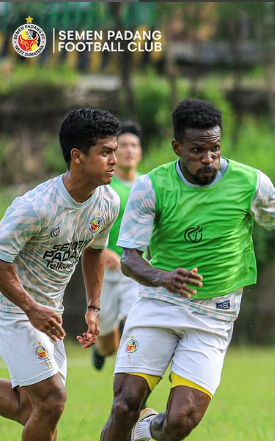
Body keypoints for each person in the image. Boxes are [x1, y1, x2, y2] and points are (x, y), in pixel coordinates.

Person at [100, 98, 275, 441]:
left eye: (215, 148)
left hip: (213, 315)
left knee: (180, 422)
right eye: (197, 150)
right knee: (124, 405)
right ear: (177, 147)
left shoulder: (248, 182)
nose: (208, 159)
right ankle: (136, 420)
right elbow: (129, 258)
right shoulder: (153, 186)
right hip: (158, 304)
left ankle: (146, 429)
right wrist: (164, 278)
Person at [0, 108, 121, 441]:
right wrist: (30, 308)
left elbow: (94, 251)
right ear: (77, 156)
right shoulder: (35, 207)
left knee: (34, 410)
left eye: (115, 151)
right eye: (106, 152)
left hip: (47, 313)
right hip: (12, 308)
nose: (115, 159)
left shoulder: (108, 203)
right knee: (53, 401)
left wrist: (94, 307)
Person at [93, 121, 144, 371]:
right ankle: (100, 348)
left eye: (134, 145)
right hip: (105, 271)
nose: (128, 150)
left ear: (140, 152)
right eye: (122, 145)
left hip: (137, 271)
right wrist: (102, 250)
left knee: (133, 323)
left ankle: (132, 390)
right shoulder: (102, 187)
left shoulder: (149, 186)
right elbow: (83, 227)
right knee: (108, 344)